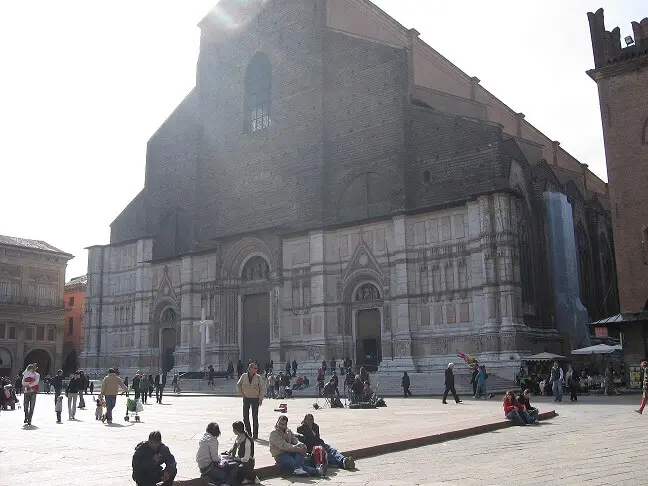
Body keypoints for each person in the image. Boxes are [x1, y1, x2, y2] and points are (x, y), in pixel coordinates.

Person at [196, 422, 238, 486]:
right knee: (234, 465)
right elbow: (215, 459)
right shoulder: (213, 441)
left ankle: (215, 482)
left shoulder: (203, 438)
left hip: (202, 467)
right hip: (209, 468)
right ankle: (225, 483)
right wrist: (222, 460)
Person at [236, 362, 266, 440]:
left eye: (257, 368)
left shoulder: (259, 377)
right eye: (255, 368)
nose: (256, 369)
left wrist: (260, 398)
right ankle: (248, 432)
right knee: (245, 416)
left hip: (255, 399)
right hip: (246, 398)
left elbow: (262, 389)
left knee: (255, 417)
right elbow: (238, 385)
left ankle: (255, 434)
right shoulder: (243, 376)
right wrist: (241, 394)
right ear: (250, 369)